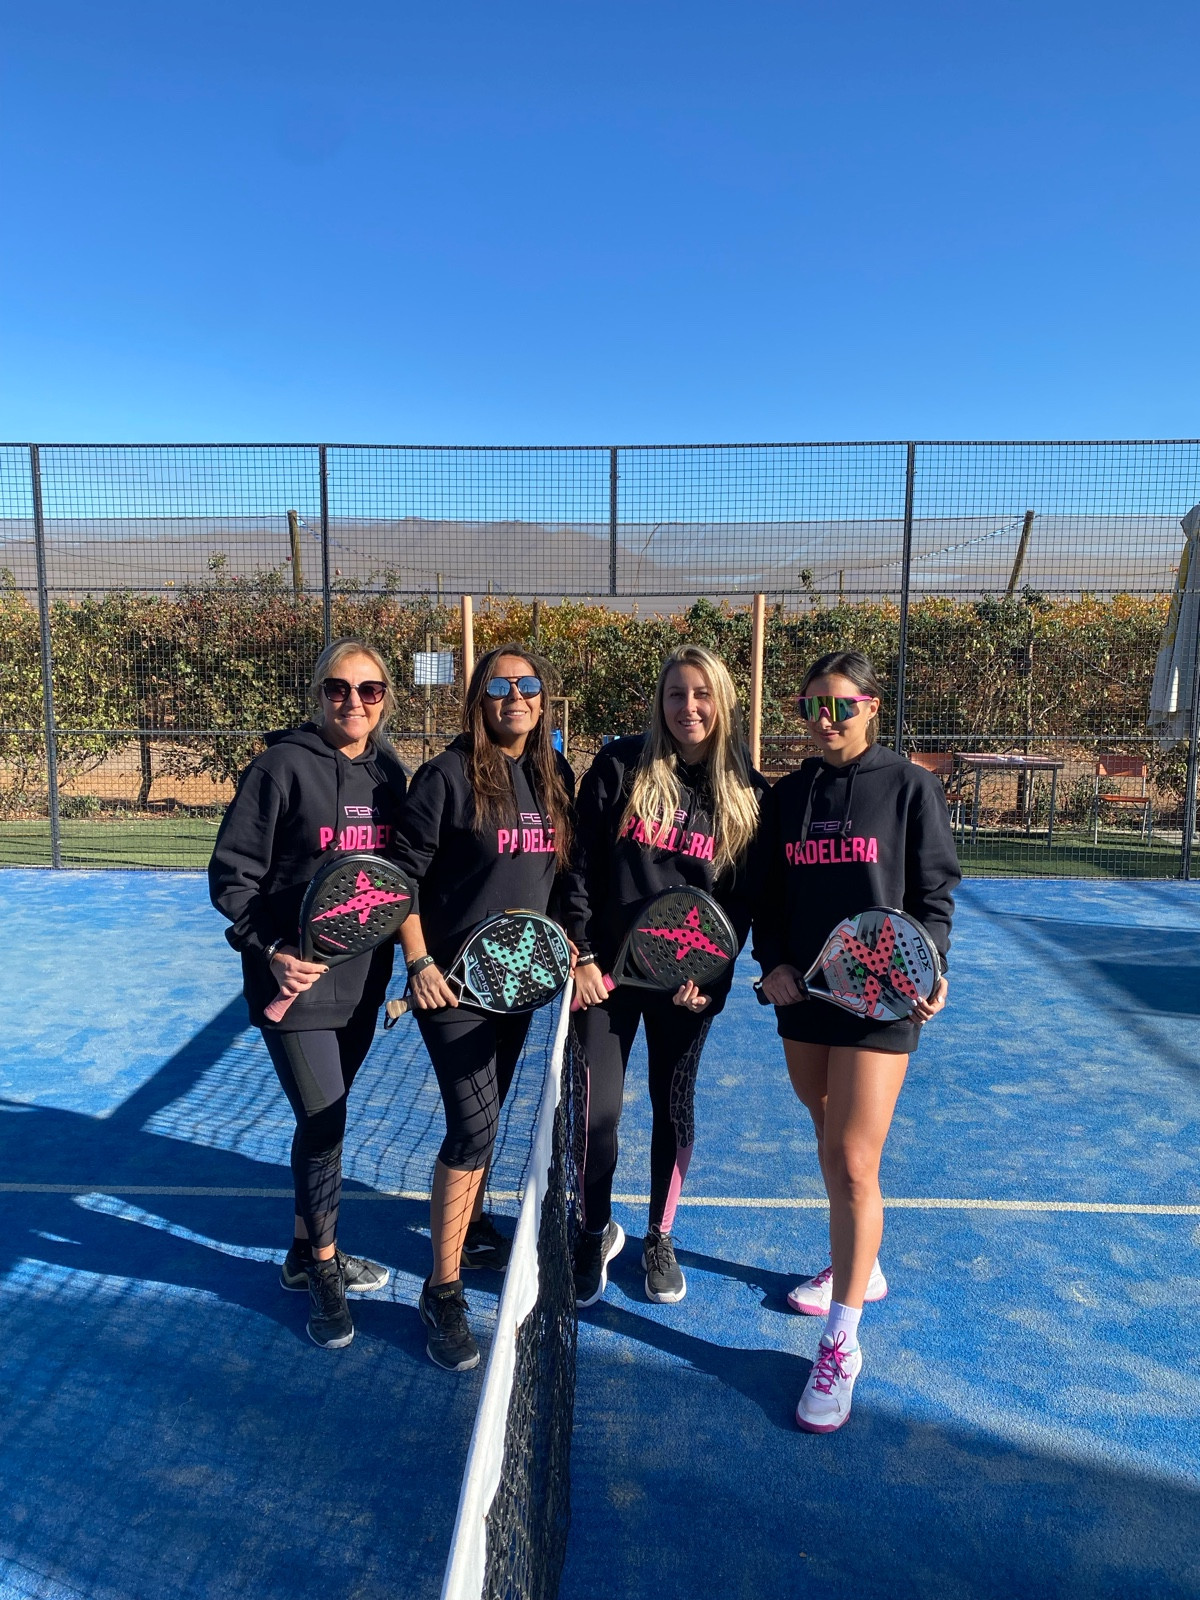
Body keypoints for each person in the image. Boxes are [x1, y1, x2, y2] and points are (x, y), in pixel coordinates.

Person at [753, 650, 960, 1432]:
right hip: (806, 997)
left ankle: (841, 1341)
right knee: (824, 1124)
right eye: (813, 705)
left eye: (842, 705)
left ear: (871, 708)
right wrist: (773, 962)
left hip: (883, 998)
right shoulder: (787, 797)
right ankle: (859, 1266)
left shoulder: (910, 787)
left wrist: (933, 963)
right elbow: (769, 895)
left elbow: (934, 893)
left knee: (851, 1159)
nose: (826, 719)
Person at [208, 638, 408, 1351]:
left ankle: (302, 1251)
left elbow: (400, 878)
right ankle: (323, 1268)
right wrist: (274, 951)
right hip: (292, 989)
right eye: (338, 688)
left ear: (385, 698)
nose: (354, 702)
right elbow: (231, 877)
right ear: (319, 694)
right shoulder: (279, 767)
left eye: (369, 689)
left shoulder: (390, 773)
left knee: (324, 1121)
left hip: (363, 984)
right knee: (325, 1121)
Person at [391, 644, 575, 1372]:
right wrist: (420, 964)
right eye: (500, 685)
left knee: (489, 1111)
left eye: (528, 684)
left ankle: (467, 1231)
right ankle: (442, 1291)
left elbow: (560, 875)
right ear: (478, 699)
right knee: (473, 1126)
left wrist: (570, 946)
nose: (515, 696)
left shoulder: (553, 773)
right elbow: (401, 879)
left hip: (517, 982)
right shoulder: (445, 777)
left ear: (543, 698)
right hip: (453, 988)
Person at [566, 644, 767, 1308]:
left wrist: (711, 981)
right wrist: (583, 954)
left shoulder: (747, 791)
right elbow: (580, 867)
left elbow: (739, 906)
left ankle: (659, 1234)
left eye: (702, 694)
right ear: (660, 701)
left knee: (673, 1109)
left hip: (684, 987)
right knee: (595, 1115)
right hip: (605, 979)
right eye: (677, 693)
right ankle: (594, 1230)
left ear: (722, 701)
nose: (689, 707)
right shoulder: (621, 766)